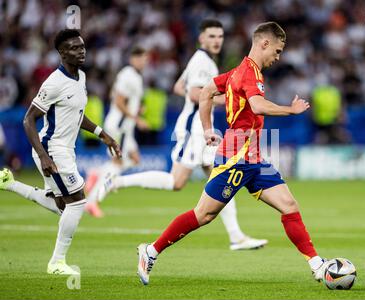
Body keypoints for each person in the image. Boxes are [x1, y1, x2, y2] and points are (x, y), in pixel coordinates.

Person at [136, 22, 328, 286]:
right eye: (278, 50)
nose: (278, 57)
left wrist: (206, 129)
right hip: (235, 158)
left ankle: (317, 266)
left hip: (254, 159)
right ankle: (151, 251)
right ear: (264, 44)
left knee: (289, 206)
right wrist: (289, 110)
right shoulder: (250, 74)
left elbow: (206, 92)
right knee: (204, 214)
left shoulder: (238, 72)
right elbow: (257, 105)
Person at [94, 19, 267, 251]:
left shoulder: (199, 60)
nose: (217, 40)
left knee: (221, 177)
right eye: (212, 36)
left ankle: (236, 236)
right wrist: (229, 99)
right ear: (201, 38)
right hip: (193, 127)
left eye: (220, 36)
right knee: (176, 182)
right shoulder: (203, 62)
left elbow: (179, 87)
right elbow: (195, 94)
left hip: (202, 128)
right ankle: (117, 180)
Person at [0, 29, 121, 275]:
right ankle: (57, 262)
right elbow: (28, 120)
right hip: (53, 150)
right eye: (75, 48)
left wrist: (102, 133)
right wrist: (44, 156)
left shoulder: (81, 77)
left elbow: (77, 114)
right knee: (78, 203)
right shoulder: (53, 83)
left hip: (66, 149)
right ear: (62, 53)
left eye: (82, 46)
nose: (81, 51)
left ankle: (10, 184)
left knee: (63, 207)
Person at [84, 46, 149, 217]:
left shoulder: (134, 76)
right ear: (132, 59)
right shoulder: (129, 75)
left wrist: (137, 110)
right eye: (140, 58)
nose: (143, 61)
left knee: (135, 159)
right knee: (116, 164)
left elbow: (126, 101)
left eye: (144, 58)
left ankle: (95, 174)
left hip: (125, 126)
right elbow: (119, 102)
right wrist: (136, 118)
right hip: (119, 126)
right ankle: (92, 201)